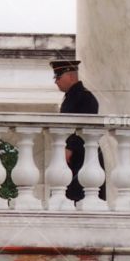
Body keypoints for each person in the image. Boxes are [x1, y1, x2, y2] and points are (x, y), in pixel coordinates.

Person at [50, 59, 103, 202]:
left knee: (78, 197)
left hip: (83, 156)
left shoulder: (84, 97)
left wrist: (69, 148)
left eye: (58, 77)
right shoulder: (73, 96)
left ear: (71, 76)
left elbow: (83, 128)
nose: (56, 81)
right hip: (76, 156)